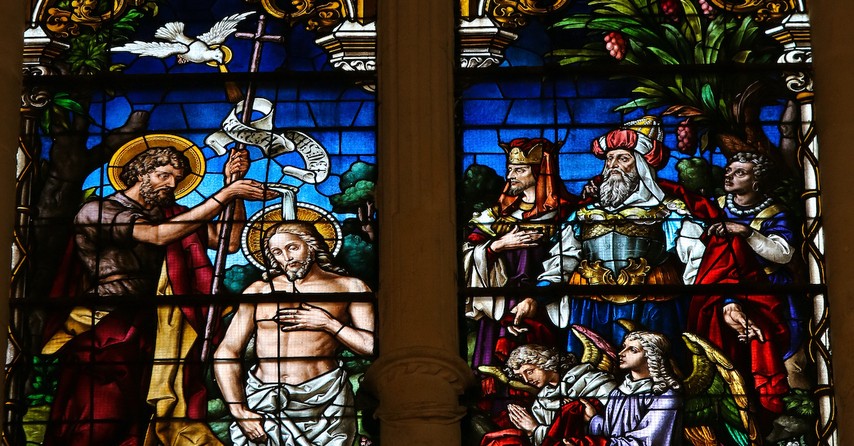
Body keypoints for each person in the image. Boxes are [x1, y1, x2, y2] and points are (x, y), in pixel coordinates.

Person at [41, 143, 274, 446]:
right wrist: (224, 195)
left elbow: (226, 242)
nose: (171, 185)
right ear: (140, 171)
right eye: (164, 175)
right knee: (102, 410)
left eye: (176, 179)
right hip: (107, 323)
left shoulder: (173, 215)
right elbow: (157, 235)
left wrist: (234, 188)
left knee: (142, 412)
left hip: (157, 326)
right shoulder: (98, 210)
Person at [536, 117, 706, 351]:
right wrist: (538, 295)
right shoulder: (584, 214)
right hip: (590, 307)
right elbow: (562, 260)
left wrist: (706, 301)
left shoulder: (668, 212)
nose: (613, 165)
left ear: (641, 167)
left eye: (623, 158)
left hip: (653, 306)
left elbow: (698, 260)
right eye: (609, 159)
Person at [214, 221, 375, 446]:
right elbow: (228, 351)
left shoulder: (350, 287)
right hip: (263, 401)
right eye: (277, 252)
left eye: (292, 247)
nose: (286, 258)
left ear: (311, 245)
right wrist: (239, 409)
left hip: (325, 403)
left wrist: (329, 324)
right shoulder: (258, 291)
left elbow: (371, 347)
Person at [463, 138, 576, 391]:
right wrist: (497, 246)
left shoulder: (566, 214)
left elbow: (569, 259)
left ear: (541, 172)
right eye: (510, 168)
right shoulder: (493, 218)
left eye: (519, 170)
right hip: (498, 310)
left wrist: (537, 298)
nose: (510, 175)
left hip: (543, 309)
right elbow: (465, 257)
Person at [480, 344, 615, 446]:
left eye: (529, 371)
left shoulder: (591, 381)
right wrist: (533, 430)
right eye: (520, 376)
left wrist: (534, 429)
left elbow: (619, 427)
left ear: (544, 362)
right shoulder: (541, 401)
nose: (526, 380)